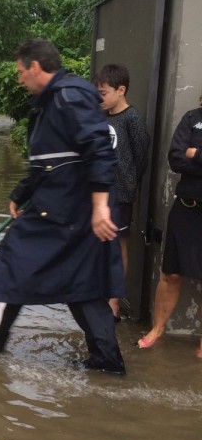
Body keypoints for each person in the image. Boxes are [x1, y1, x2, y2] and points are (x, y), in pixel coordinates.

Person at [0, 37, 126, 374]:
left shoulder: (68, 97)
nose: (19, 79)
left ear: (35, 67)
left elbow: (99, 150)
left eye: (20, 71)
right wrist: (21, 193)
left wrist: (100, 207)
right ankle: (107, 362)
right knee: (84, 285)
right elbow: (47, 162)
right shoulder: (52, 102)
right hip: (73, 209)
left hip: (70, 211)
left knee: (13, 260)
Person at [138, 95, 202, 358]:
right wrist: (189, 156)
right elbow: (176, 158)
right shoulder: (192, 118)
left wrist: (196, 153)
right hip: (187, 208)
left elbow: (188, 156)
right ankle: (157, 329)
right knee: (172, 274)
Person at [91, 63, 151, 319]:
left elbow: (141, 158)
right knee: (96, 245)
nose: (99, 98)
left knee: (117, 246)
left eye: (103, 93)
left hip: (121, 194)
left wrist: (128, 184)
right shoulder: (99, 117)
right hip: (97, 194)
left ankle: (114, 302)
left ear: (121, 90)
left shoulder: (133, 119)